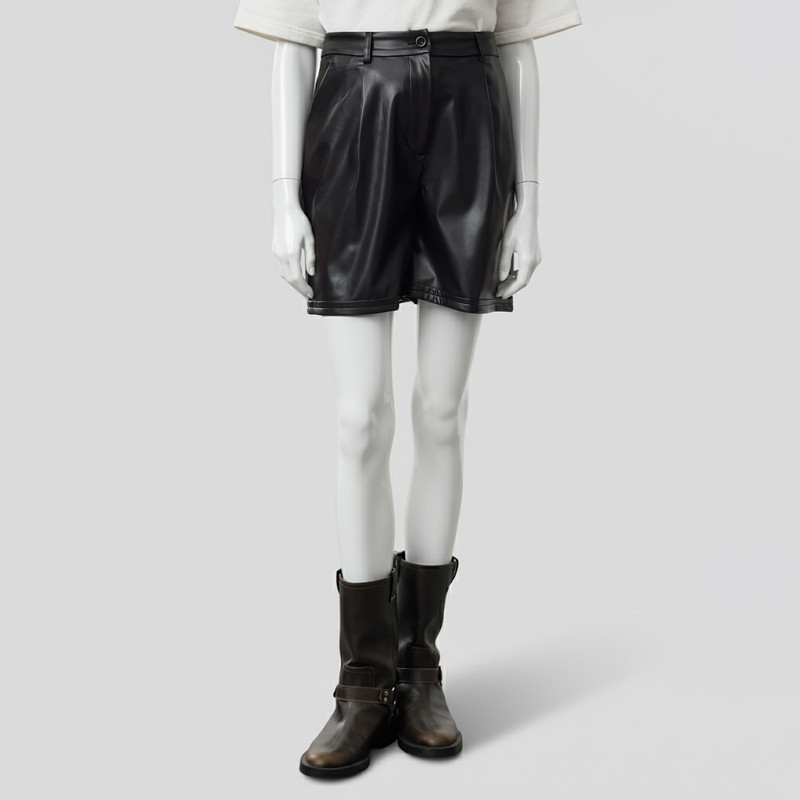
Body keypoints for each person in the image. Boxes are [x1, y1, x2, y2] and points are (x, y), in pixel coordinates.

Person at [232, 0, 582, 779]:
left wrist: (530, 198)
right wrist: (283, 196)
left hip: (468, 113)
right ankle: (363, 677)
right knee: (360, 418)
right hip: (353, 104)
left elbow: (516, 40)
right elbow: (292, 40)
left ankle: (419, 665)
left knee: (442, 411)